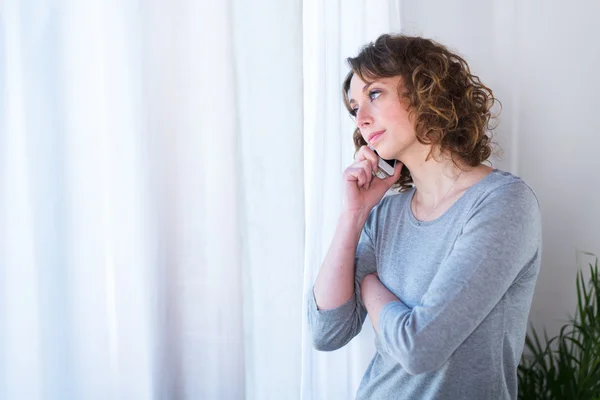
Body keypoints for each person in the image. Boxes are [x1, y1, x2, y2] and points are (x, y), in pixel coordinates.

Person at [306, 34, 542, 400]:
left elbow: (421, 348)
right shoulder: (386, 214)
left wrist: (369, 287)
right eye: (354, 108)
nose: (361, 119)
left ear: (425, 88)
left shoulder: (503, 204)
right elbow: (327, 332)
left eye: (374, 94)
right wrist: (354, 215)